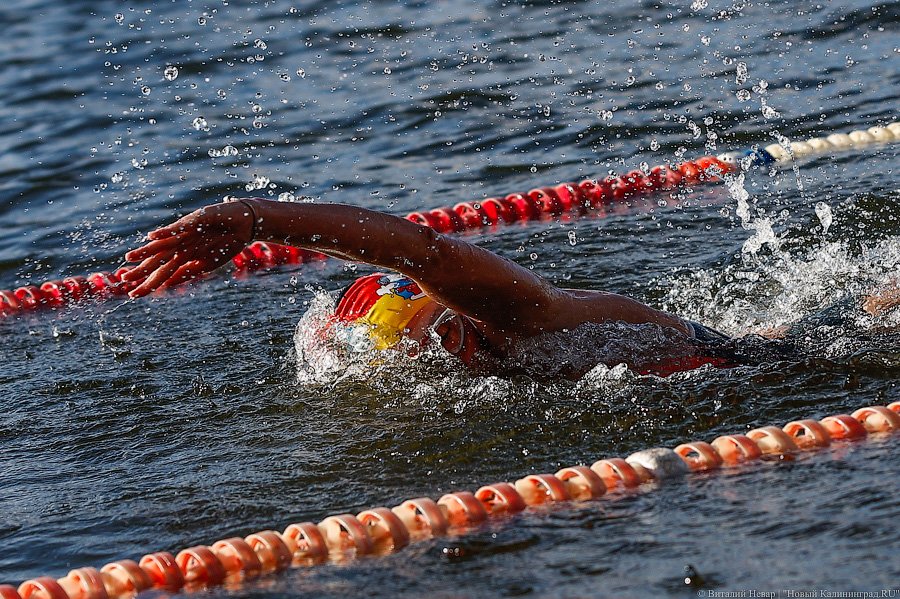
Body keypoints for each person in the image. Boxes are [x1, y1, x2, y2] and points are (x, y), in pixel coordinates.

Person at [121, 197, 832, 377]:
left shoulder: (513, 319)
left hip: (729, 363)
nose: (432, 344)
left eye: (432, 330)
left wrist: (258, 218)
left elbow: (418, 248)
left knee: (829, 340)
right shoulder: (454, 351)